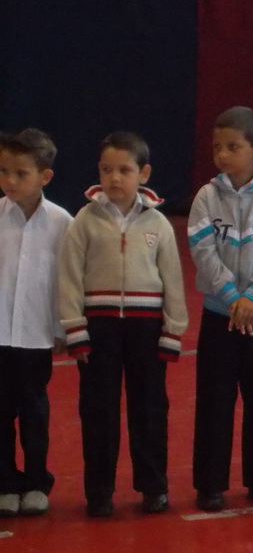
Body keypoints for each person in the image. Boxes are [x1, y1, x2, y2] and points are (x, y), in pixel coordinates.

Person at [59, 131, 188, 517]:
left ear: (143, 174)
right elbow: (69, 276)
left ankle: (153, 487)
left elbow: (173, 279)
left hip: (146, 329)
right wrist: (75, 328)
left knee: (150, 409)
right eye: (106, 169)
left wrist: (173, 330)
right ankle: (99, 492)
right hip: (99, 329)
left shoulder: (158, 224)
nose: (114, 178)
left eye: (124, 170)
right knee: (98, 410)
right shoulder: (84, 221)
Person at [188, 107, 253, 512]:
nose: (222, 155)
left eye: (233, 147)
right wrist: (234, 299)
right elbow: (203, 251)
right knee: (214, 401)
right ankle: (210, 483)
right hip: (220, 316)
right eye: (217, 147)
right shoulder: (206, 197)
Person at [0, 130, 73, 517]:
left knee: (34, 412)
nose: (10, 180)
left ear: (45, 177)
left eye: (20, 173)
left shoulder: (62, 223)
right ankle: (5, 483)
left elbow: (67, 279)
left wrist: (63, 327)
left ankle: (36, 482)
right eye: (3, 171)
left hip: (35, 336)